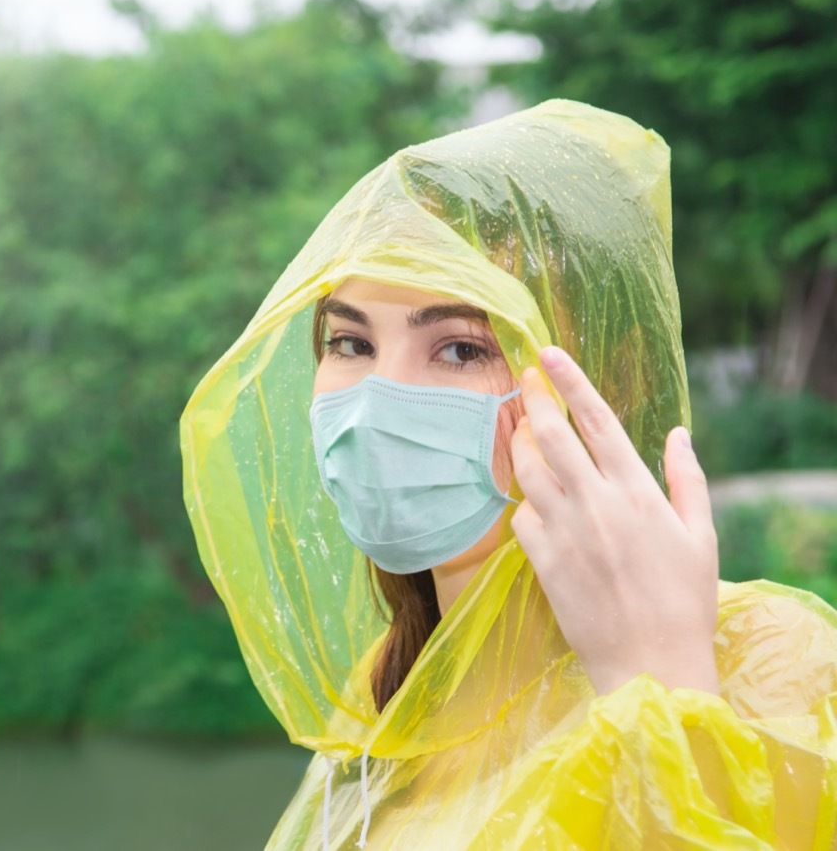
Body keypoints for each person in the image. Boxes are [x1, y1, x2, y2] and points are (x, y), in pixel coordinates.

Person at [180, 100, 837, 848]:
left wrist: (660, 686)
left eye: (461, 349)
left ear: (606, 376)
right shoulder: (396, 686)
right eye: (350, 341)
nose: (373, 404)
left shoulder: (768, 658)